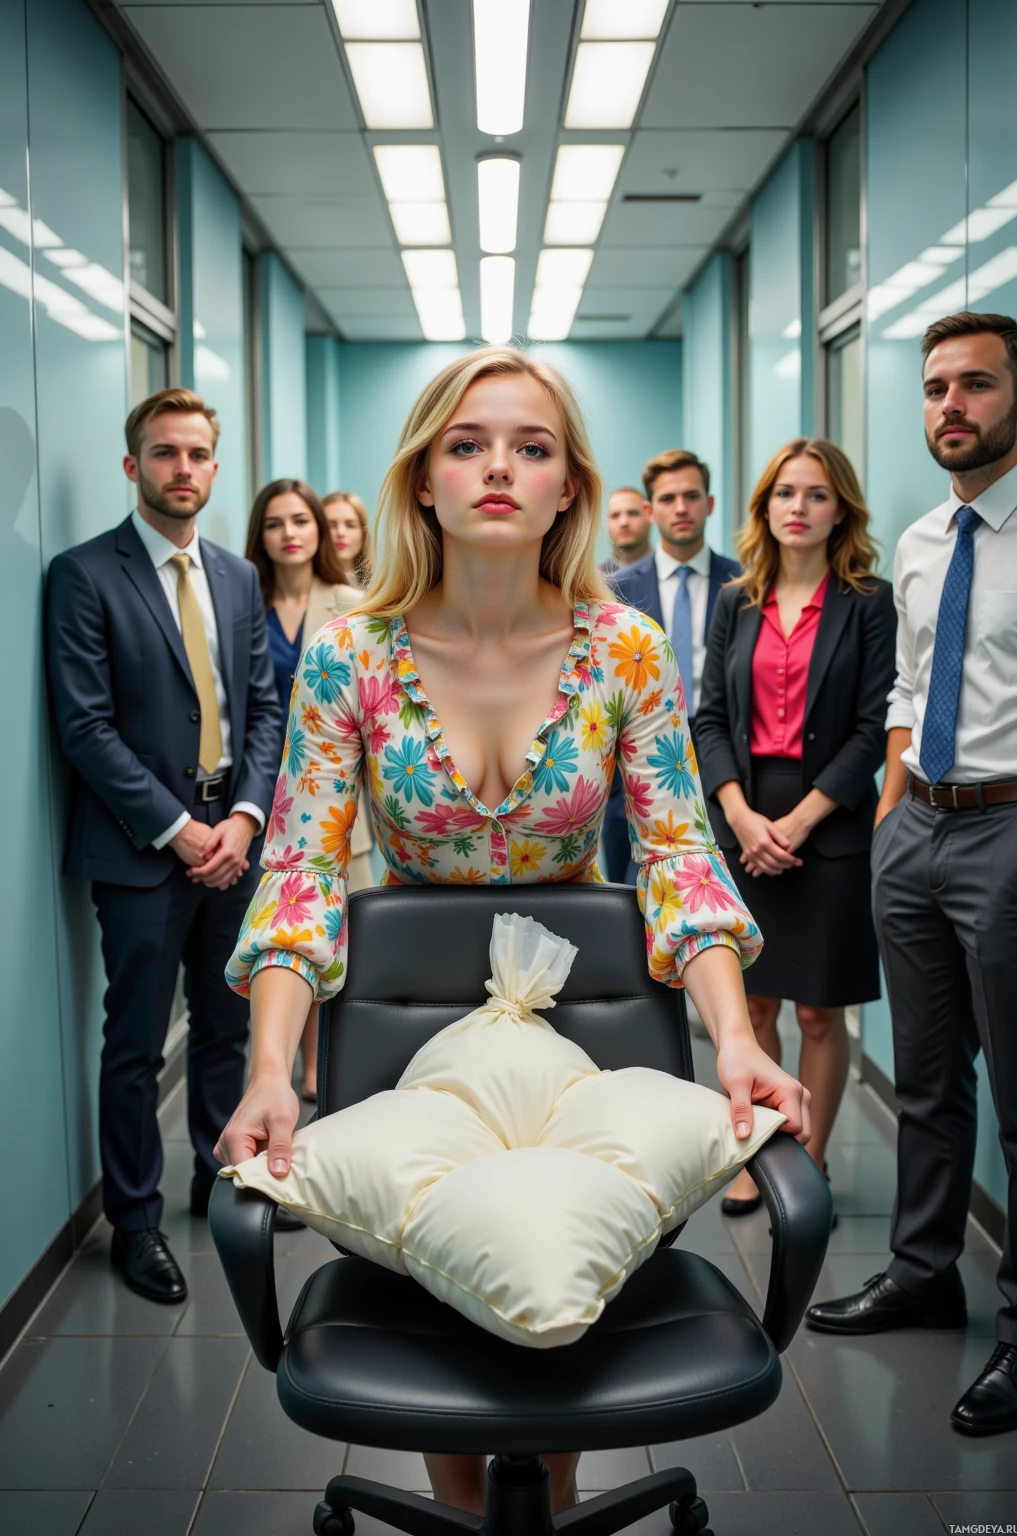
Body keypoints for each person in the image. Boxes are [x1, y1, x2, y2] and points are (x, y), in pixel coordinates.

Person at [215, 345, 811, 1515]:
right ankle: (478, 1511)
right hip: (401, 1027)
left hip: (586, 1021)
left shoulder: (624, 648)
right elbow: (297, 873)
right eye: (466, 443)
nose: (499, 465)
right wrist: (270, 1067)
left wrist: (736, 1037)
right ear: (422, 480)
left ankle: (533, 1497)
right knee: (447, 1284)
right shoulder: (353, 652)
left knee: (558, 1275)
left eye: (531, 447)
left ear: (568, 490)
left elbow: (682, 857)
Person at [806, 312, 1017, 1439]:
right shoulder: (925, 540)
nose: (950, 405)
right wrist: (893, 811)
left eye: (975, 385)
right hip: (920, 828)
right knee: (929, 1084)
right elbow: (905, 686)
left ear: (1016, 400)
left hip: (1013, 831)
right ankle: (922, 1272)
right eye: (936, 386)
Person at [45, 387, 280, 1305]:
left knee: (227, 1025)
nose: (182, 469)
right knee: (137, 1042)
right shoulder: (83, 573)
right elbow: (85, 727)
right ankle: (134, 1222)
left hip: (234, 839)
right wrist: (183, 832)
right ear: (132, 464)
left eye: (197, 454)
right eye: (164, 453)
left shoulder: (236, 575)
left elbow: (264, 707)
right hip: (143, 851)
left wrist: (245, 820)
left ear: (217, 468)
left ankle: (222, 1176)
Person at [694, 439, 896, 1220]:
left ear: (839, 508)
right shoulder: (735, 600)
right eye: (785, 494)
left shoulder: (867, 601)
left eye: (815, 495)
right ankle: (759, 1156)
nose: (798, 508)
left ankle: (809, 1167)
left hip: (831, 821)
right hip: (746, 813)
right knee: (756, 1008)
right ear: (765, 508)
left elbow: (875, 725)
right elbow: (710, 717)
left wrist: (803, 820)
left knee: (818, 1010)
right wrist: (742, 816)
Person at [244, 479, 375, 1103]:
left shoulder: (353, 602)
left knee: (337, 939)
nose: (289, 533)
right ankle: (277, 1070)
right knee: (278, 940)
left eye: (300, 520)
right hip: (258, 800)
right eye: (275, 523)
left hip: (336, 808)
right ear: (260, 536)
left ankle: (323, 1070)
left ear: (319, 531)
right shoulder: (247, 603)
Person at [602, 449, 740, 883]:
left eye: (692, 496)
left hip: (720, 756)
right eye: (667, 499)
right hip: (630, 760)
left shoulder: (743, 583)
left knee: (710, 882)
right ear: (650, 510)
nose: (681, 508)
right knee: (628, 891)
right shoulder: (616, 590)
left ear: (710, 504)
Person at [323, 489, 373, 589]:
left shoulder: (380, 588)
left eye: (350, 525)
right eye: (331, 525)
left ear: (363, 533)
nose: (340, 533)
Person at [598, 484, 650, 576]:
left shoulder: (674, 569)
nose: (624, 522)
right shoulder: (595, 582)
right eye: (615, 515)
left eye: (633, 513)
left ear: (650, 516)